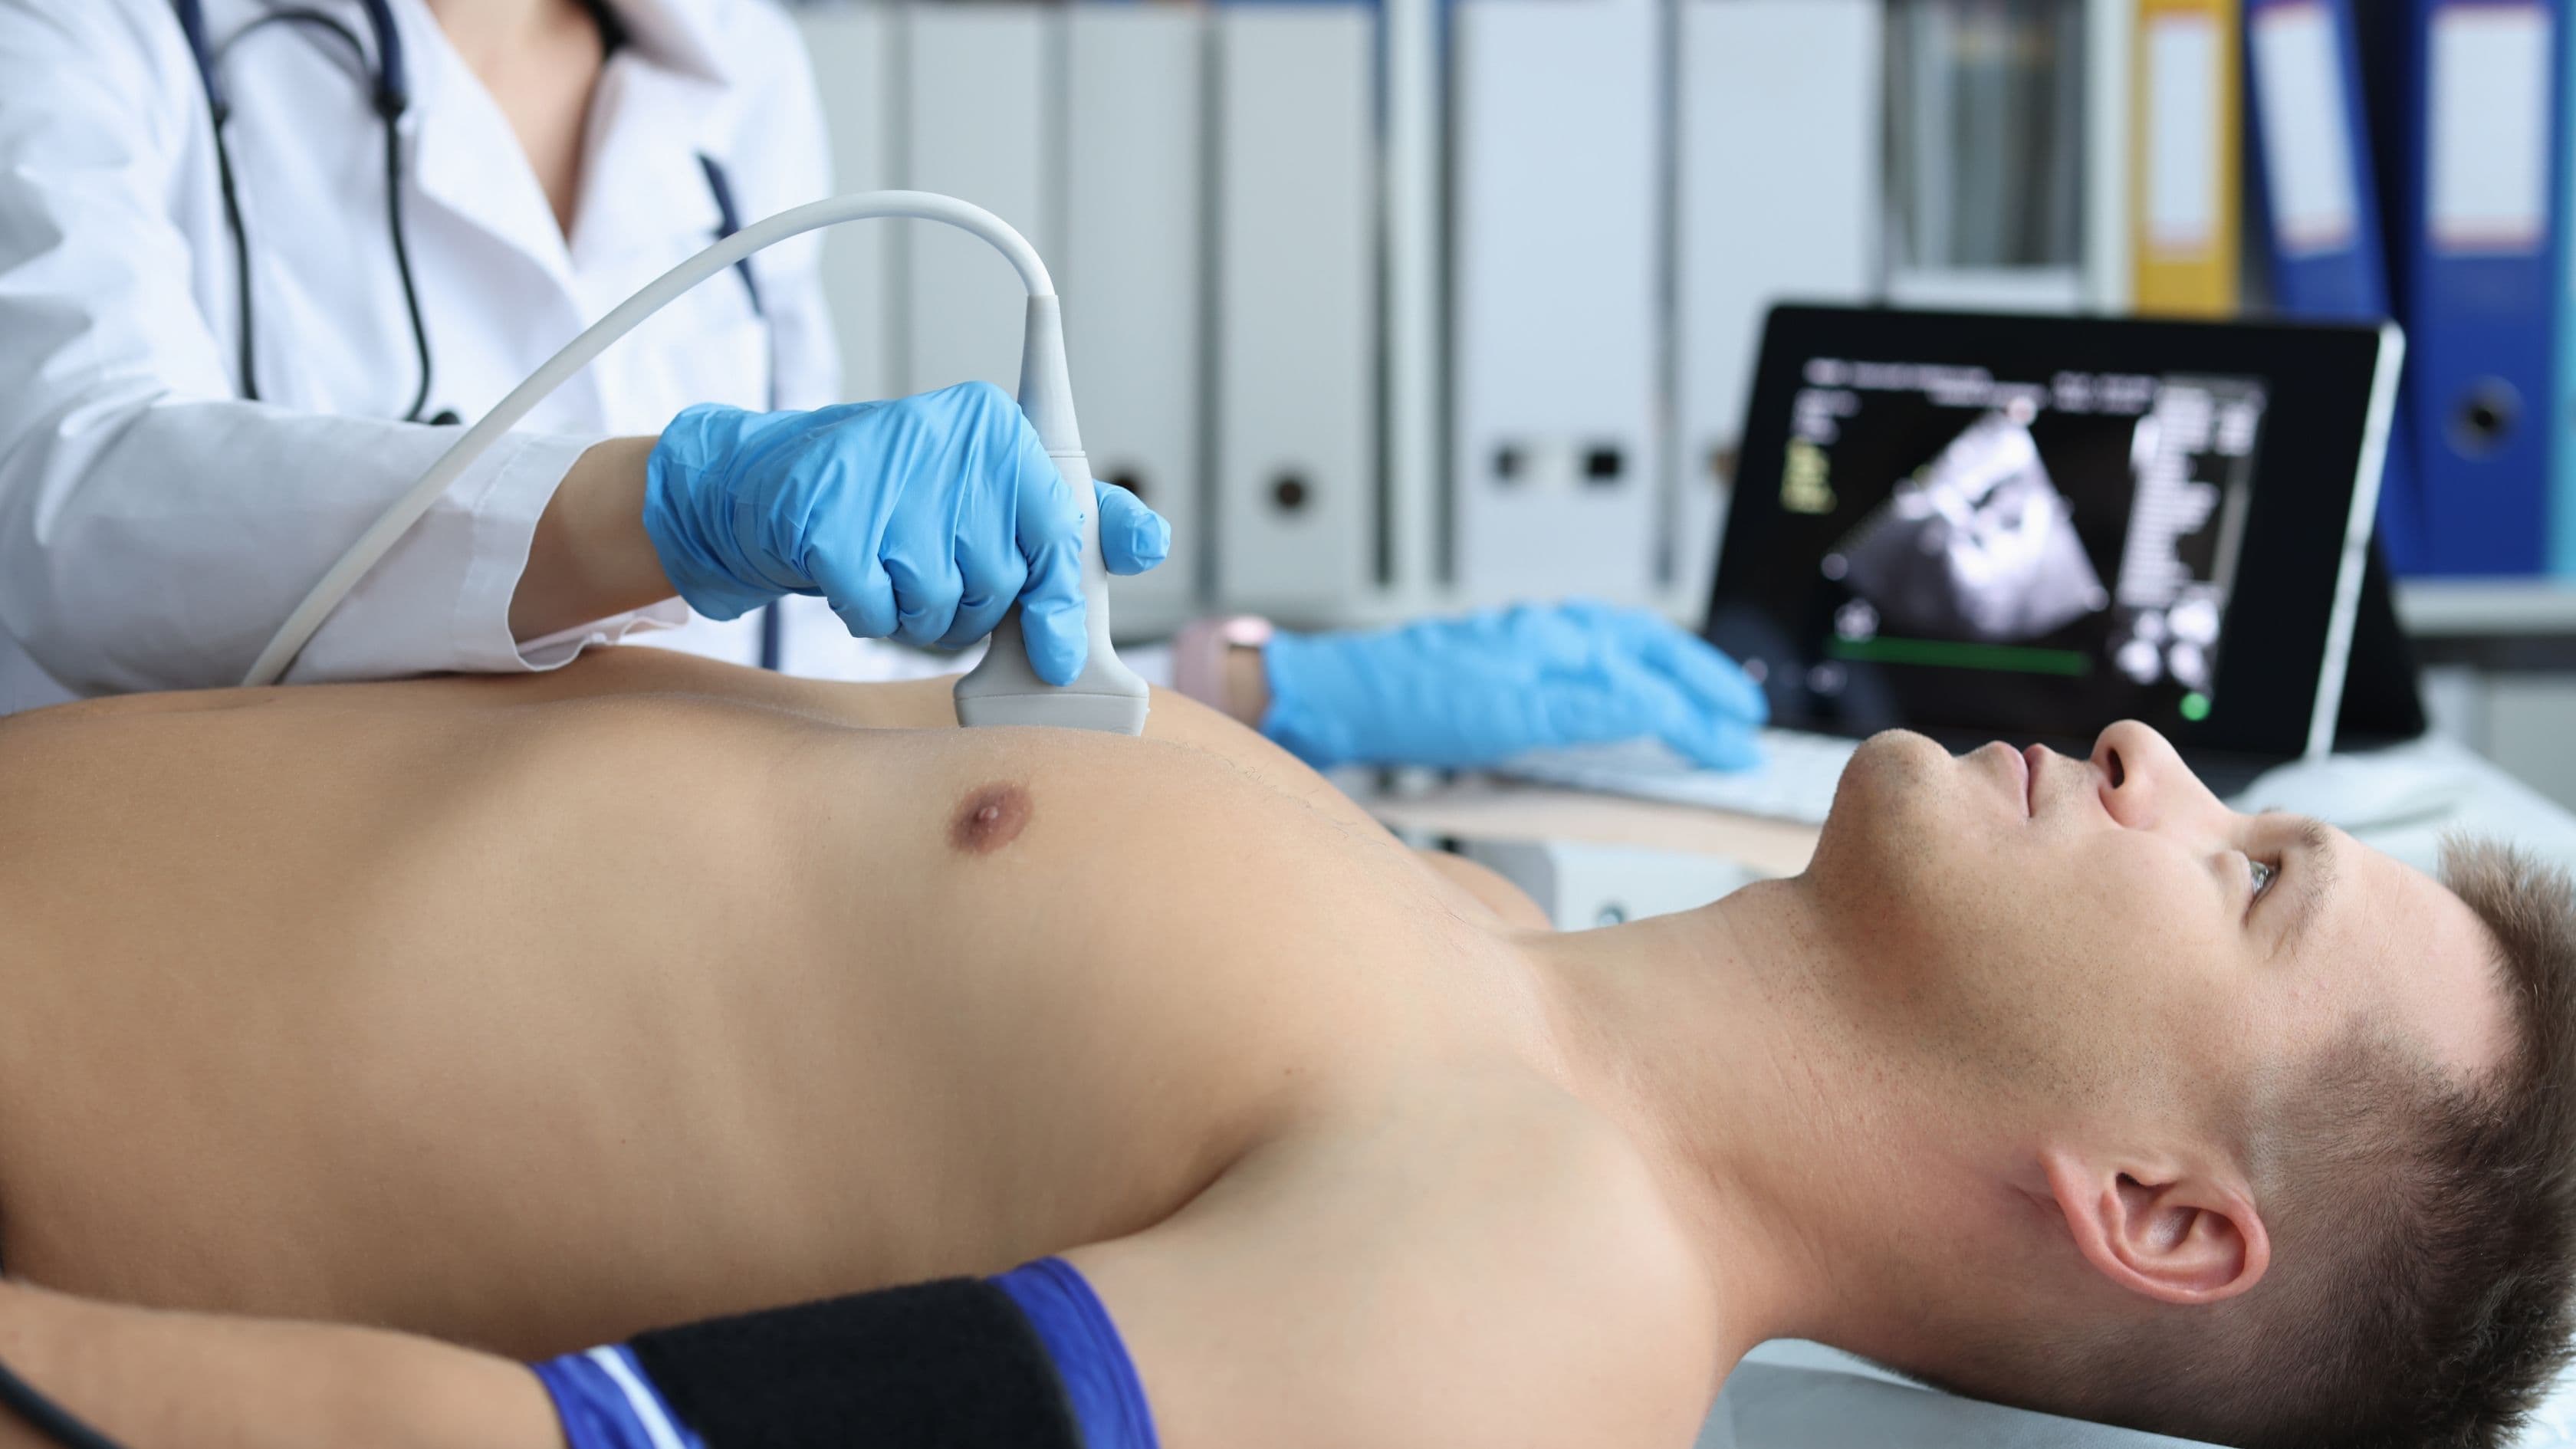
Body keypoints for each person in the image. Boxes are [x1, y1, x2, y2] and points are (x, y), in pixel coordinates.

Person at [0, 649, 2564, 1448]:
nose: (2148, 759)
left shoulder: (1510, 1320)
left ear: (2158, 1214)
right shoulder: (1482, 962)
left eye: (2248, 876)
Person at [0, 0, 1766, 774]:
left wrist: (1248, 692)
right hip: (250, 947)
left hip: (687, 936)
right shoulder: (93, 34)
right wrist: (682, 501)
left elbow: (822, 674)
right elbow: (75, 509)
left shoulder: (738, 75)